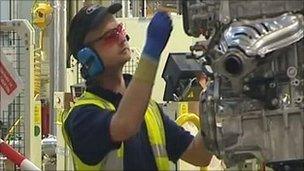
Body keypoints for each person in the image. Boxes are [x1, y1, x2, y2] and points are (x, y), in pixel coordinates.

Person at [63, 3, 212, 170]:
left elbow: (199, 155)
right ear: (87, 57)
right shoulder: (81, 117)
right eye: (110, 36)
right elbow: (125, 125)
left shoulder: (149, 109)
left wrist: (216, 98)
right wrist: (152, 50)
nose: (121, 38)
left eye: (120, 30)